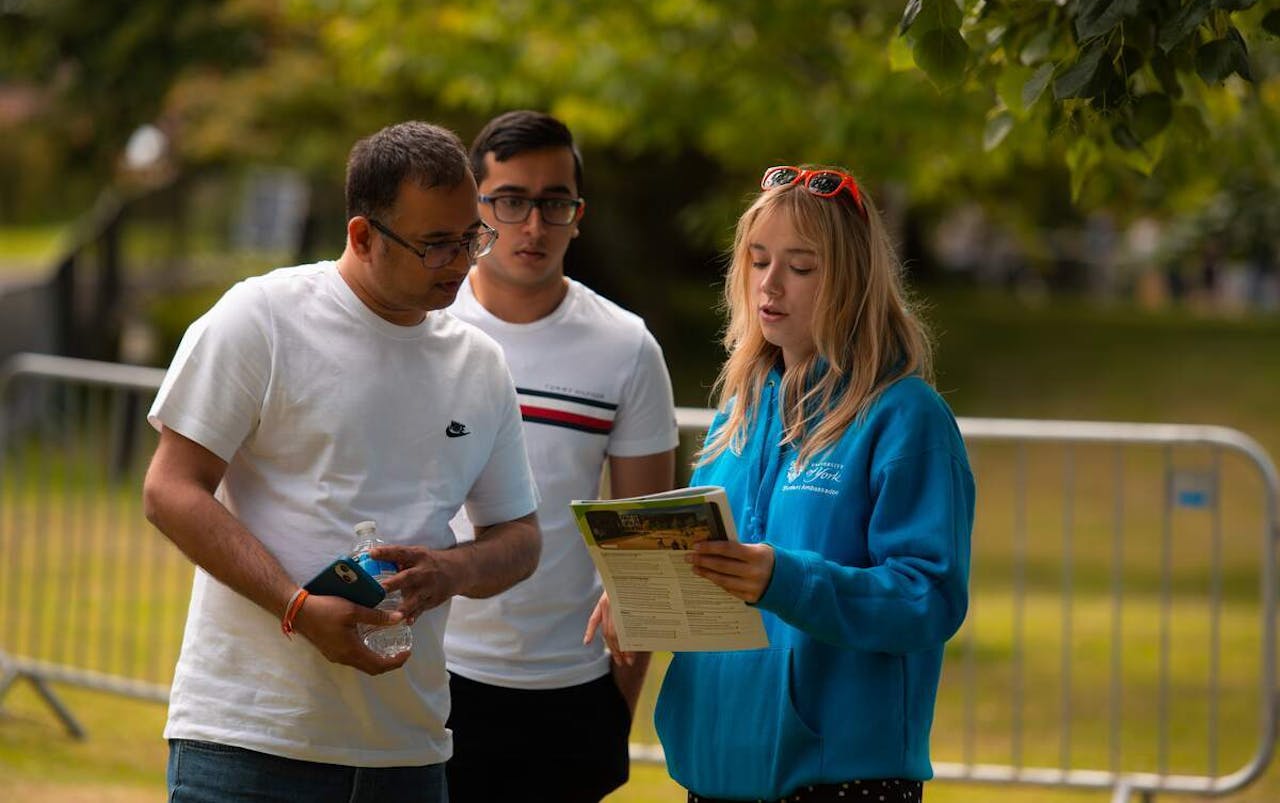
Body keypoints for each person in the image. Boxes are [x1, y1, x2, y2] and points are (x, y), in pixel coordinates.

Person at [141, 121, 542, 803]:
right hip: (249, 740)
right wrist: (294, 606)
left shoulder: (480, 363)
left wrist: (452, 569)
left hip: (407, 753)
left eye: (470, 237)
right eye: (435, 243)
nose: (461, 261)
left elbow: (521, 537)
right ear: (362, 236)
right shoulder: (260, 317)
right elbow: (169, 489)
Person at [589, 164, 975, 802]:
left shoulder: (906, 417)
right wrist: (645, 592)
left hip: (838, 775)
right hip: (711, 767)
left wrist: (785, 579)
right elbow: (712, 564)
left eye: (801, 267)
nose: (770, 284)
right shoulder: (738, 409)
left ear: (852, 280)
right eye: (758, 260)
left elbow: (928, 596)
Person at [443, 110, 678, 803]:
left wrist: (615, 703)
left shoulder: (627, 347)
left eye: (554, 203)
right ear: (475, 210)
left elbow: (644, 548)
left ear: (579, 214)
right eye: (511, 201)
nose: (534, 225)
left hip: (569, 690)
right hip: (432, 673)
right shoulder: (425, 328)